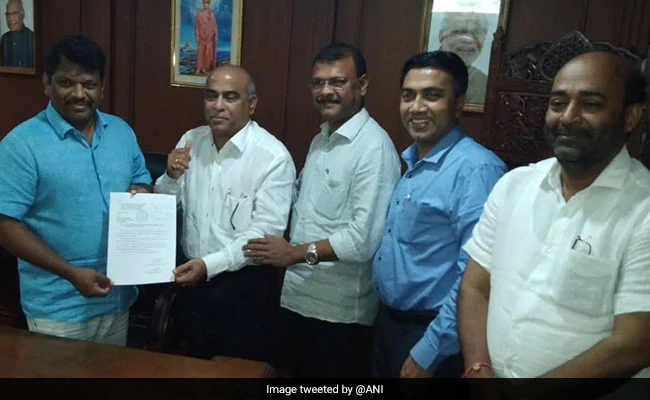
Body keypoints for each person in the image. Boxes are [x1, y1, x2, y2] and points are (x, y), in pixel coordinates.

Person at [458, 50, 650, 397]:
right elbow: (475, 285)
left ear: (630, 116)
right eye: (558, 103)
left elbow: (635, 341)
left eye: (590, 104)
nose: (568, 117)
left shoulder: (643, 208)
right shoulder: (514, 184)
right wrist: (478, 369)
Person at [243, 42, 401, 378]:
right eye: (318, 83)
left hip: (340, 316)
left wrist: (293, 255)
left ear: (362, 85)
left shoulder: (374, 148)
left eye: (337, 82)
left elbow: (361, 241)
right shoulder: (322, 139)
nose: (325, 91)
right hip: (300, 300)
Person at [0, 34, 152, 345]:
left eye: (89, 84)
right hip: (57, 310)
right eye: (67, 83)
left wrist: (141, 193)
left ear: (102, 86)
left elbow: (141, 179)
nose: (79, 94)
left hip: (118, 299)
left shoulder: (121, 132)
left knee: (113, 376)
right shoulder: (21, 144)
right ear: (47, 83)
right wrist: (70, 272)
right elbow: (5, 225)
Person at [371, 51, 506, 379]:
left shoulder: (476, 170)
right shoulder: (413, 162)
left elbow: (475, 273)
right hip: (388, 325)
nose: (416, 107)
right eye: (408, 96)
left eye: (432, 95)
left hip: (434, 337)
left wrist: (429, 351)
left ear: (459, 104)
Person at [154, 64, 296, 363]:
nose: (218, 105)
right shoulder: (190, 140)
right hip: (193, 283)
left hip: (244, 288)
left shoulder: (273, 156)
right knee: (195, 368)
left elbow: (263, 236)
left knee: (240, 374)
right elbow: (164, 208)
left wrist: (208, 265)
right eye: (211, 96)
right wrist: (170, 177)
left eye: (230, 97)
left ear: (251, 104)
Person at [438, 12, 489, 104]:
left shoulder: (485, 83)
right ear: (441, 36)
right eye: (460, 31)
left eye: (476, 32)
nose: (468, 40)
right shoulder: (420, 74)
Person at [1, 0, 34, 67]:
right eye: (8, 14)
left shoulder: (32, 38)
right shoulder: (4, 39)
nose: (10, 19)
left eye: (14, 13)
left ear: (23, 14)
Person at [194, 0, 217, 74]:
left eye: (207, 3)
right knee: (200, 53)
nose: (206, 5)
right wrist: (197, 36)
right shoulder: (199, 14)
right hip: (201, 37)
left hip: (209, 37)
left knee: (207, 54)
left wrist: (215, 35)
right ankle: (198, 68)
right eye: (205, 3)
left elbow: (214, 26)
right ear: (203, 4)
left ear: (209, 4)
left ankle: (204, 68)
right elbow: (197, 26)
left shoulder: (211, 14)